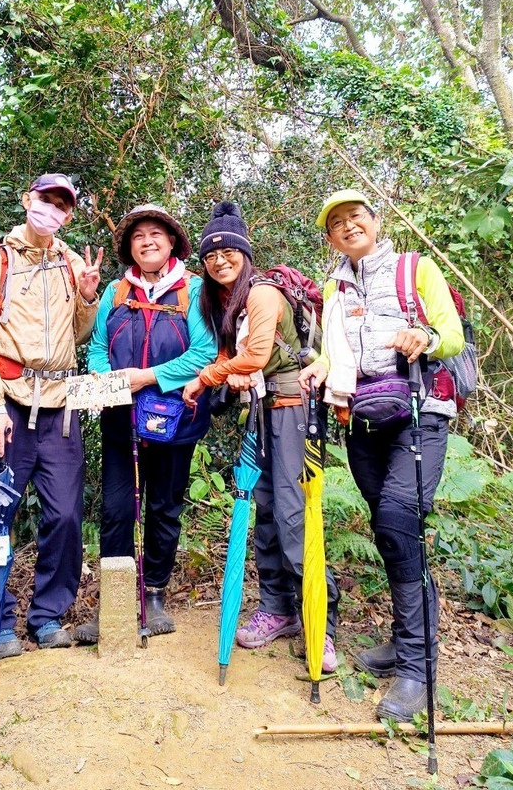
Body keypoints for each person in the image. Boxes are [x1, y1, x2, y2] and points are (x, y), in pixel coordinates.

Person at [299, 188, 464, 721]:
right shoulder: (335, 286)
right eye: (337, 223)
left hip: (420, 408)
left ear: (375, 221)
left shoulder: (415, 268)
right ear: (329, 238)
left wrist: (425, 335)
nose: (349, 227)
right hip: (363, 415)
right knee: (392, 528)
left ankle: (417, 666)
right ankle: (406, 640)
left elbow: (453, 335)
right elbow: (334, 348)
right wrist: (321, 368)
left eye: (356, 217)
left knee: (398, 517)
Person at [183, 202, 340, 672]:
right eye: (211, 254)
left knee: (294, 515)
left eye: (229, 250)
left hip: (292, 411)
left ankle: (321, 621)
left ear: (245, 253)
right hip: (263, 411)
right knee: (266, 511)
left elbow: (253, 357)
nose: (220, 259)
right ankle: (278, 608)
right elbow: (245, 364)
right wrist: (229, 377)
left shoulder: (264, 293)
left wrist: (207, 377)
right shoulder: (229, 305)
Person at [0, 173, 102, 652]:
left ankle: (47, 614)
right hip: (8, 405)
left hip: (60, 407)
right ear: (28, 200)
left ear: (68, 214)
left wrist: (86, 296)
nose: (52, 211)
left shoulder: (69, 261)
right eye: (46, 200)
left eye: (62, 205)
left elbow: (78, 335)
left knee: (65, 514)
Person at [75, 204, 217, 642]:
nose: (148, 241)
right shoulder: (117, 292)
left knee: (163, 507)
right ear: (129, 247)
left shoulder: (194, 291)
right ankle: (115, 600)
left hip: (176, 417)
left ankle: (153, 592)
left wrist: (148, 377)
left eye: (158, 234)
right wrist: (104, 376)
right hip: (122, 416)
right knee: (117, 511)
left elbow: (204, 352)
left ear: (172, 242)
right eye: (139, 236)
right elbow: (98, 346)